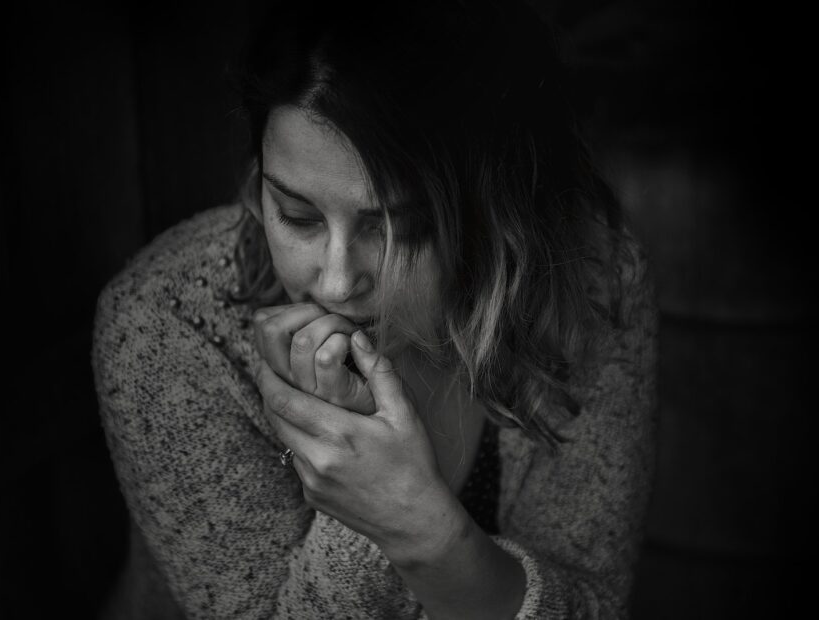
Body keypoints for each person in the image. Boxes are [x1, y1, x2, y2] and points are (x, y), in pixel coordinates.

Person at [91, 0, 657, 617]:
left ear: (501, 214)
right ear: (258, 185)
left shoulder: (586, 280)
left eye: (402, 228)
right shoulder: (169, 324)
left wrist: (419, 528)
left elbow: (596, 605)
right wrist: (361, 512)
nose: (336, 282)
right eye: (298, 216)